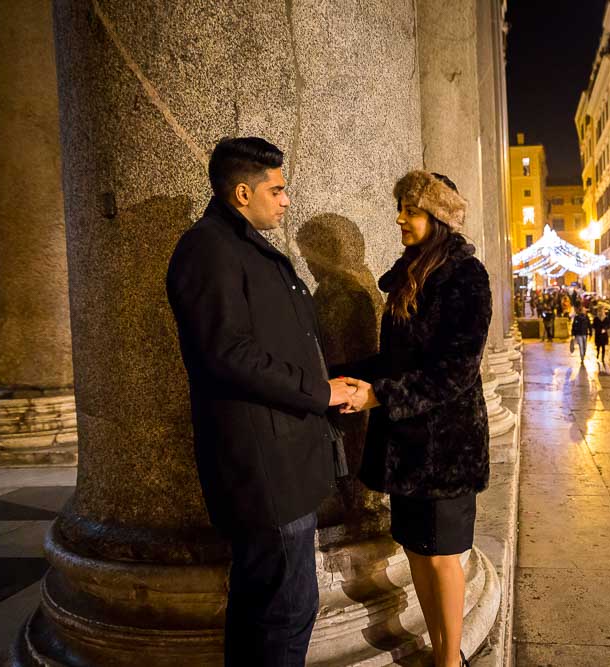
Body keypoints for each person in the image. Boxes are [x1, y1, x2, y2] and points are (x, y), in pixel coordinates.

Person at [165, 137, 357, 666]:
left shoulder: (243, 245)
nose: (287, 200)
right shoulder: (208, 248)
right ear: (243, 193)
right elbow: (227, 353)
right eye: (278, 189)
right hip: (263, 465)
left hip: (283, 455)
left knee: (268, 605)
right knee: (286, 609)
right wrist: (319, 391)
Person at [340, 171, 490, 667]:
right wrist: (340, 379)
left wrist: (379, 396)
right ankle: (439, 650)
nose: (400, 218)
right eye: (401, 208)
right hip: (407, 446)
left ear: (439, 217)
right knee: (418, 552)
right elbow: (394, 360)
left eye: (412, 210)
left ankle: (451, 661)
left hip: (446, 448)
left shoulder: (466, 277)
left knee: (444, 556)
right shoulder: (411, 272)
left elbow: (457, 372)